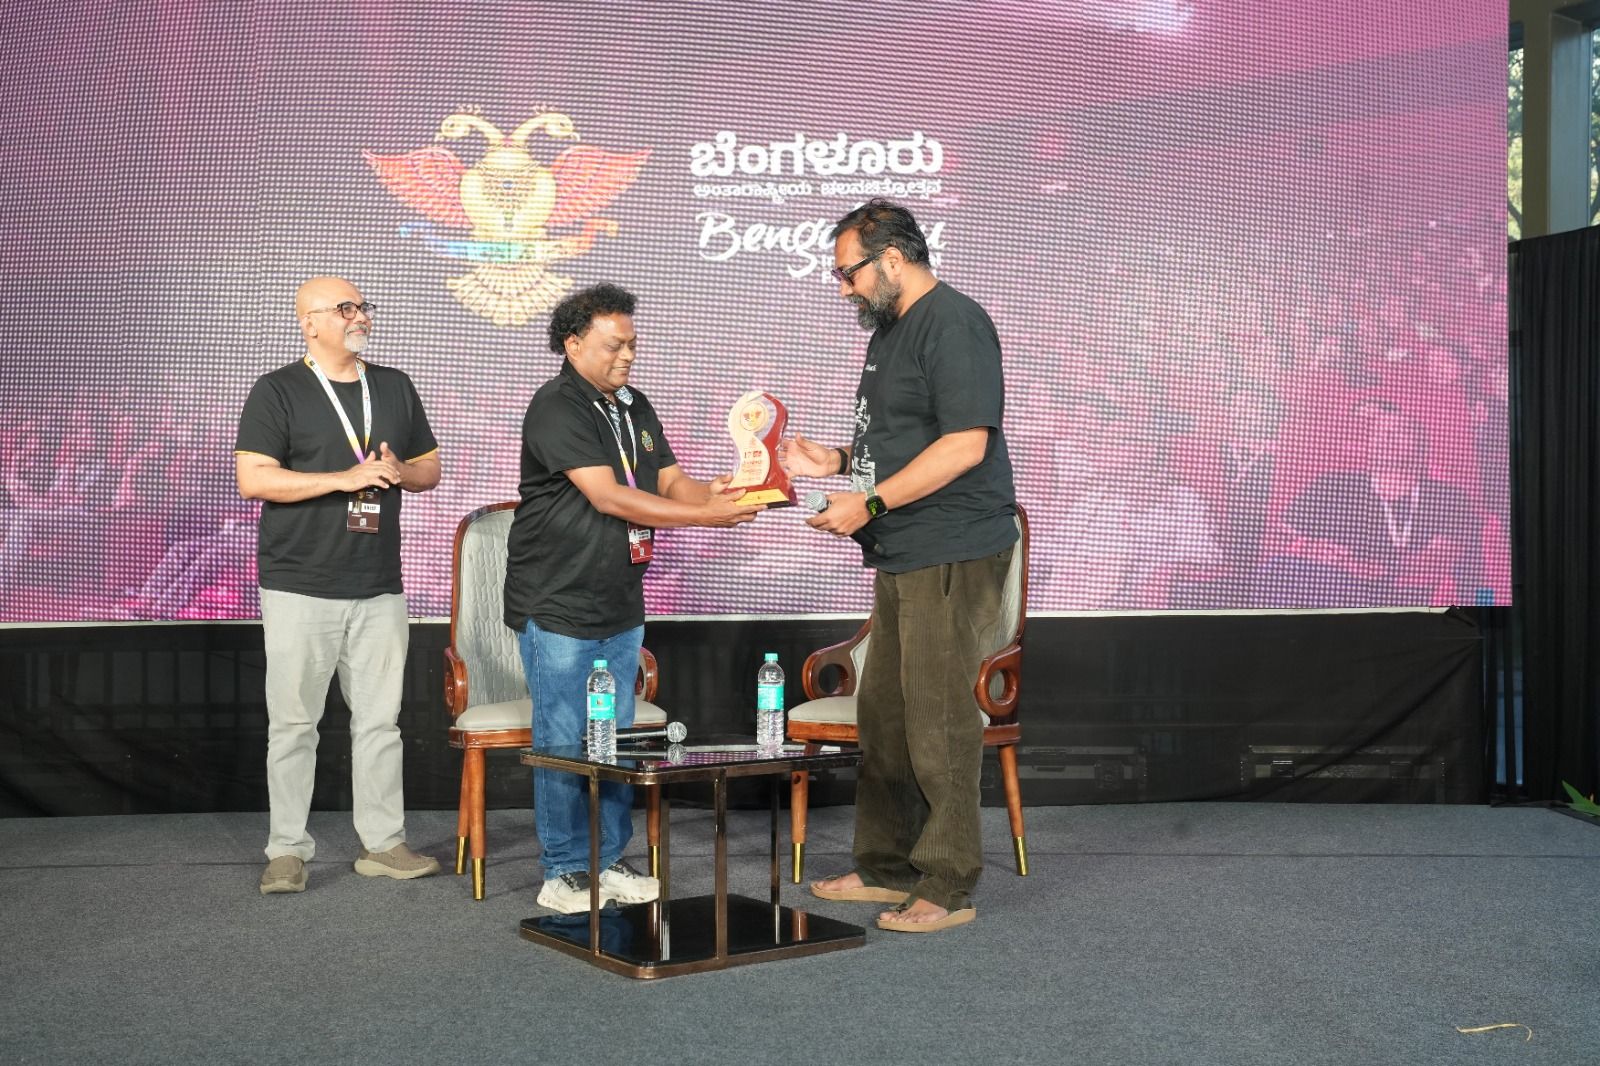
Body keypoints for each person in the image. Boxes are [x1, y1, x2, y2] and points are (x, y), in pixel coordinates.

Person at [781, 200, 1018, 933]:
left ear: (891, 258)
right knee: (885, 717)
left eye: (847, 272)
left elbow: (965, 446)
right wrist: (837, 460)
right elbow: (905, 439)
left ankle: (947, 883)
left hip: (950, 548)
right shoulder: (891, 330)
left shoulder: (955, 323)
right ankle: (887, 866)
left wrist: (870, 503)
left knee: (938, 722)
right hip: (904, 552)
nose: (842, 288)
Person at [504, 282, 763, 914]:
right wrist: (704, 518)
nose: (627, 354)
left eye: (632, 344)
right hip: (558, 600)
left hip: (619, 600)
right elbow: (609, 495)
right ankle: (563, 870)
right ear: (573, 344)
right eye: (613, 345)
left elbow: (670, 482)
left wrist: (721, 494)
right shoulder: (557, 406)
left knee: (615, 736)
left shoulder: (634, 404)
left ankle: (609, 859)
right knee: (563, 735)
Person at [236, 276, 442, 894]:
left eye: (362, 306)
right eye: (345, 308)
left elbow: (429, 467)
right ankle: (287, 850)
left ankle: (383, 843)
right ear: (309, 323)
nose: (360, 316)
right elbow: (255, 479)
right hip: (299, 585)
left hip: (379, 585)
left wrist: (401, 471)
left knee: (381, 723)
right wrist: (342, 479)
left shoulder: (395, 385)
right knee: (294, 726)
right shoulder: (277, 390)